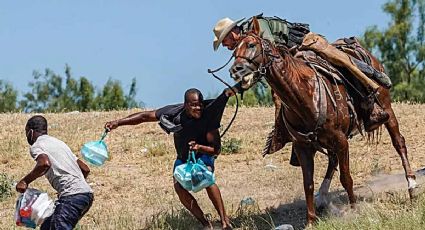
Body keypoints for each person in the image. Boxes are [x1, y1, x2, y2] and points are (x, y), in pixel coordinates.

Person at [212, 14, 391, 132]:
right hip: (290, 62)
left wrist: (249, 77)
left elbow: (271, 54)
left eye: (224, 41)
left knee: (339, 62)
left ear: (232, 33)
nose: (226, 46)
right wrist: (239, 86)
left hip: (304, 45)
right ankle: (289, 132)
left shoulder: (256, 27)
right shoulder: (244, 47)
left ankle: (371, 89)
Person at [104, 86, 240, 230]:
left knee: (205, 177)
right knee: (179, 187)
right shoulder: (174, 112)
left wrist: (199, 147)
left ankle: (225, 222)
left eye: (200, 104)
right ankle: (206, 224)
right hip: (183, 158)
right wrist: (118, 122)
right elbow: (145, 116)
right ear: (186, 105)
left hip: (204, 155)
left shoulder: (209, 116)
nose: (198, 108)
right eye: (194, 105)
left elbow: (216, 150)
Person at [16, 115, 93, 230]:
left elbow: (44, 164)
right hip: (86, 195)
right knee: (47, 227)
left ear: (30, 131)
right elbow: (85, 169)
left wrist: (24, 181)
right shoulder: (59, 143)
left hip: (72, 197)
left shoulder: (37, 145)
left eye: (26, 132)